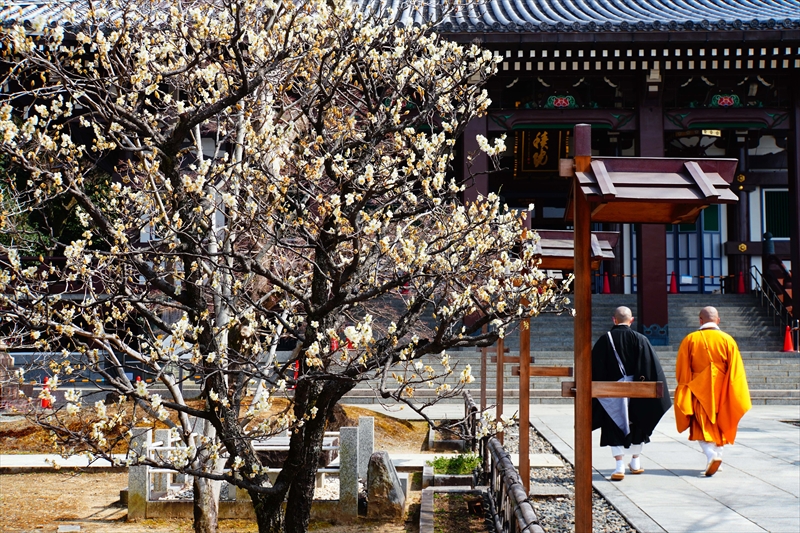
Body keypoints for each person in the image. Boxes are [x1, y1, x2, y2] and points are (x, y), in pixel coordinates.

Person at [592, 306, 671, 481]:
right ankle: (635, 462)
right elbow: (651, 366)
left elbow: (595, 367)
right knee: (638, 422)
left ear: (614, 320)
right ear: (632, 320)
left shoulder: (605, 340)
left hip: (611, 393)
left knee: (613, 424)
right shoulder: (641, 339)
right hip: (638, 391)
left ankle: (619, 466)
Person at [674, 306, 751, 477]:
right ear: (718, 320)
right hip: (722, 390)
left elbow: (682, 370)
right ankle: (718, 456)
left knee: (701, 424)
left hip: (698, 390)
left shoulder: (690, 339)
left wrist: (685, 387)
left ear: (700, 320)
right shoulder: (728, 340)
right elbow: (736, 371)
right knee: (721, 422)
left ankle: (711, 455)